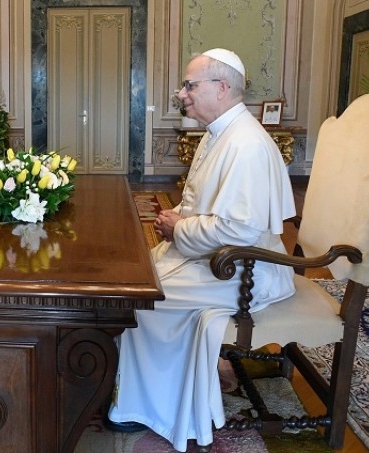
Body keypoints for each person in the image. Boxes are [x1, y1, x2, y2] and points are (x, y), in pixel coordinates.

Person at [106, 49, 296, 451]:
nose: (181, 94)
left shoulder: (245, 143)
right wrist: (179, 216)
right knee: (132, 277)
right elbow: (205, 202)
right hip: (218, 260)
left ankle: (153, 406)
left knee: (141, 297)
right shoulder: (221, 132)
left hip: (245, 271)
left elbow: (239, 230)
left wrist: (179, 228)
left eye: (189, 85)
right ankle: (143, 391)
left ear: (221, 88)